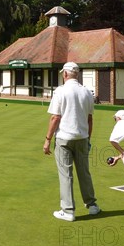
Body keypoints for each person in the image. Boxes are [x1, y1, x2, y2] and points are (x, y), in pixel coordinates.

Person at [43, 62, 100, 221]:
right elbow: (90, 119)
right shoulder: (87, 92)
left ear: (66, 74)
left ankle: (68, 211)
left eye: (63, 73)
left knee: (65, 174)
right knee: (84, 173)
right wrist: (88, 139)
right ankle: (92, 205)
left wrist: (47, 139)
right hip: (82, 138)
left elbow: (55, 117)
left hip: (64, 139)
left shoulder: (60, 91)